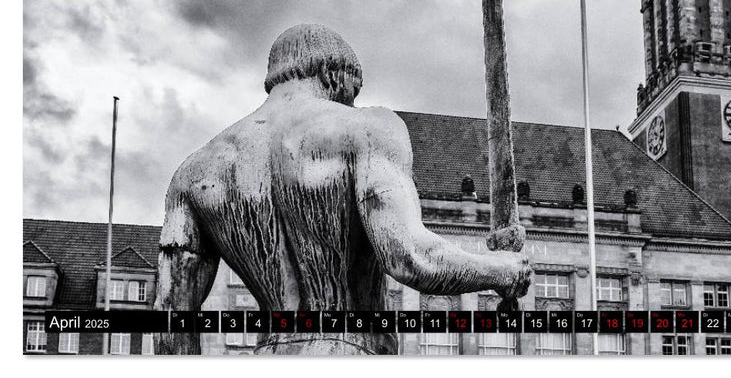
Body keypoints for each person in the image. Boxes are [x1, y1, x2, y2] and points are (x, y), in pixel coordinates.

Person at [155, 23, 531, 354]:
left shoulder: (194, 171)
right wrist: (504, 271)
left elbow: (171, 314)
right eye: (354, 91)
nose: (353, 102)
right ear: (337, 75)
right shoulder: (368, 128)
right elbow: (409, 257)